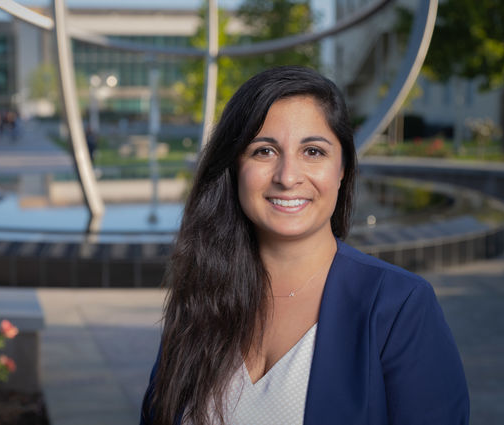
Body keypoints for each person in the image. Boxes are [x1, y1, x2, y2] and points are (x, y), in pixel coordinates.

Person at [140, 66, 469, 425]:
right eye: (264, 151)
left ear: (342, 168)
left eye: (313, 151)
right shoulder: (201, 295)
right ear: (235, 166)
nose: (287, 176)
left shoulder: (399, 306)